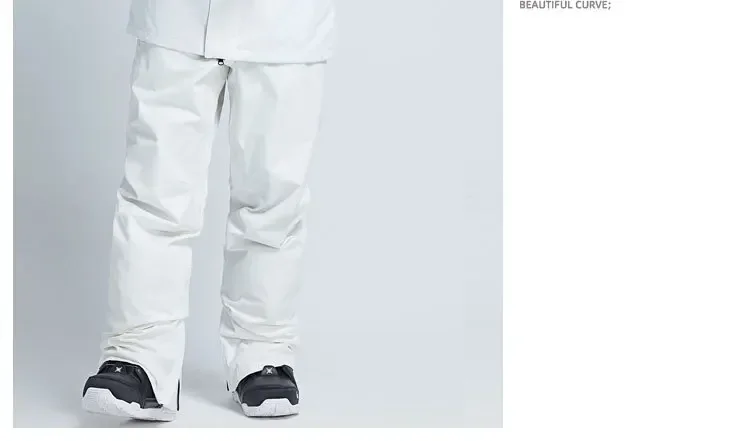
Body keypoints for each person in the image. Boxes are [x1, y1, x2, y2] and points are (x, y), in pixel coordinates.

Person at [81, 0, 335, 421]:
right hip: (176, 18)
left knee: (272, 199)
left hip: (286, 22)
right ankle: (140, 356)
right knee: (154, 191)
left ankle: (262, 351)